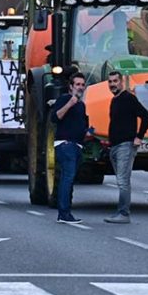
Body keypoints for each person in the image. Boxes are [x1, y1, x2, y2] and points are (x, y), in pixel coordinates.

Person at [105, 70, 148, 224]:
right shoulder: (115, 100)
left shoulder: (128, 98)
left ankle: (123, 213)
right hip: (115, 146)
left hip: (125, 145)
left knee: (123, 181)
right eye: (110, 82)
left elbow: (146, 116)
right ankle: (121, 212)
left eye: (115, 81)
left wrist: (139, 136)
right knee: (122, 179)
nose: (112, 84)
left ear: (122, 82)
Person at [51, 72, 89, 225]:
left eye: (82, 85)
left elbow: (82, 125)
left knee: (69, 179)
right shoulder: (64, 99)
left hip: (76, 145)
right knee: (67, 178)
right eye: (77, 85)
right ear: (71, 86)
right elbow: (55, 117)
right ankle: (64, 213)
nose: (80, 87)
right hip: (65, 145)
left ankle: (66, 211)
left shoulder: (81, 104)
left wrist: (89, 132)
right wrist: (69, 104)